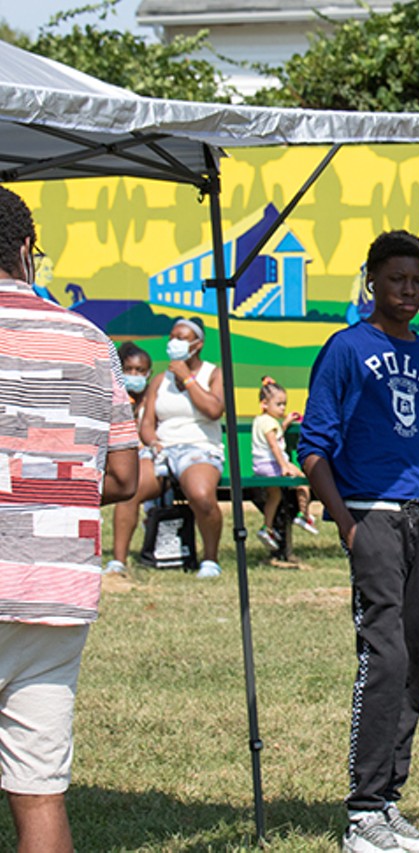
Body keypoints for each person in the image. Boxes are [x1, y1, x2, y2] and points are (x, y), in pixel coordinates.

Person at [298, 230, 419, 853]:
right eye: (396, 279)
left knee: (414, 660)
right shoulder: (345, 348)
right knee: (383, 657)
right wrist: (348, 524)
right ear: (371, 280)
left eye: (418, 280)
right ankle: (363, 814)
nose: (408, 291)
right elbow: (314, 447)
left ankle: (390, 804)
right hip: (372, 514)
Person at [0, 185, 138, 852]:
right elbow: (122, 476)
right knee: (41, 792)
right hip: (53, 594)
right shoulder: (90, 340)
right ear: (28, 251)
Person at [124, 317, 226, 579]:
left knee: (201, 495)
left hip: (200, 449)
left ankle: (210, 560)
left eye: (181, 338)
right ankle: (118, 562)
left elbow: (214, 410)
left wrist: (188, 379)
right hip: (164, 449)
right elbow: (147, 424)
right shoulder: (160, 380)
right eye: (172, 337)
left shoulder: (213, 374)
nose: (174, 343)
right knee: (129, 488)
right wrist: (153, 442)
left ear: (198, 344)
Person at [251, 376, 313, 551]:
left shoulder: (260, 421)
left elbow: (275, 437)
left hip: (260, 466)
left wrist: (284, 424)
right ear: (264, 404)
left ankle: (267, 528)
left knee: (274, 496)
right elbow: (274, 446)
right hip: (273, 464)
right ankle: (303, 514)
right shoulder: (270, 423)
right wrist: (284, 466)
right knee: (303, 481)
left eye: (284, 404)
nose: (282, 408)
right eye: (279, 405)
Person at [106, 343, 153, 574]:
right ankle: (118, 560)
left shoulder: (154, 397)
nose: (134, 376)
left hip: (150, 458)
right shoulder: (113, 397)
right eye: (129, 369)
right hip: (123, 459)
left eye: (140, 371)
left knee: (130, 486)